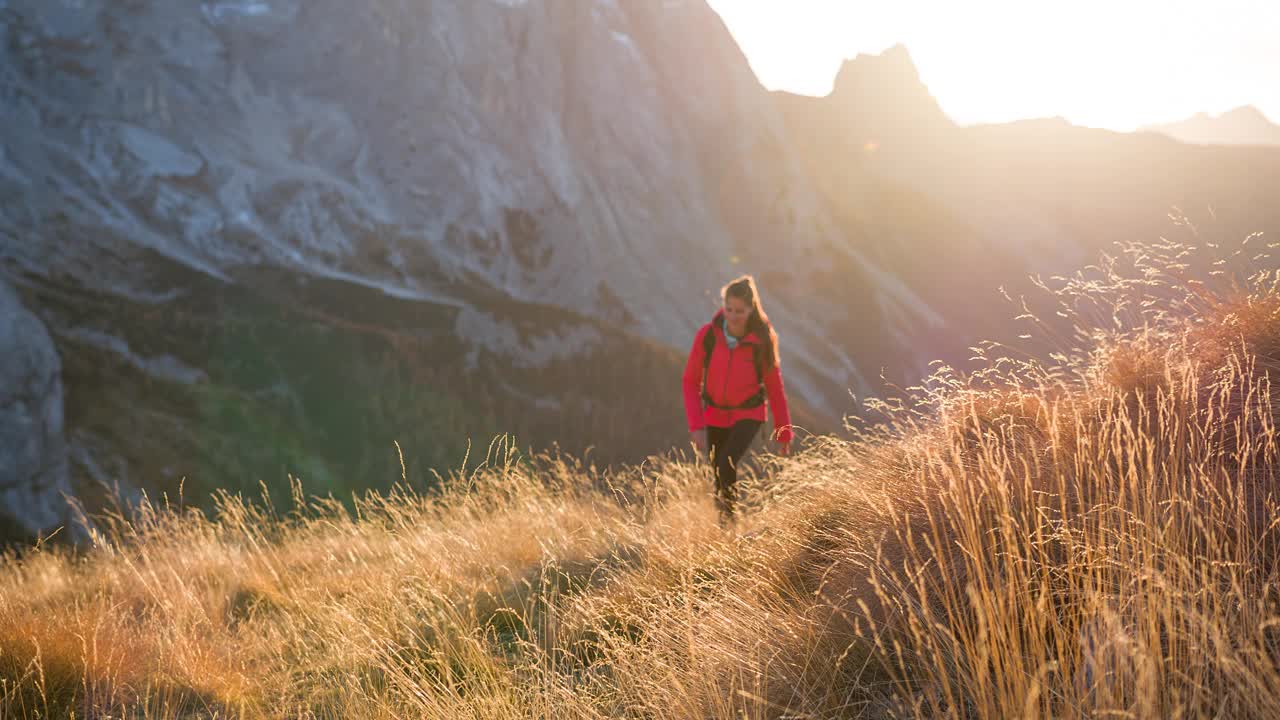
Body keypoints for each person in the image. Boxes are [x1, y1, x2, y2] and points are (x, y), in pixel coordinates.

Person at [682, 275, 793, 524]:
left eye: (740, 311)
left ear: (751, 309)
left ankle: (731, 523)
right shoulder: (707, 336)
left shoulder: (762, 341)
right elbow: (690, 381)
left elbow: (775, 389)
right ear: (723, 305)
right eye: (729, 309)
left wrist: (783, 432)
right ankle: (725, 528)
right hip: (714, 413)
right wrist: (696, 426)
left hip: (749, 413)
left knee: (726, 461)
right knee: (718, 472)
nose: (733, 316)